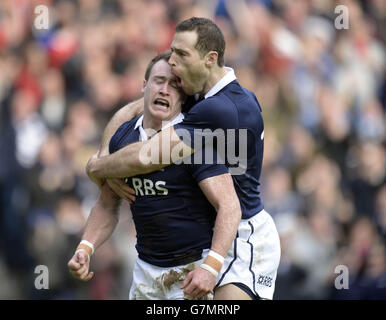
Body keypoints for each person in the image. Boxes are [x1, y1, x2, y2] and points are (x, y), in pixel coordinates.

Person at [87, 17, 281, 300]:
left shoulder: (222, 108)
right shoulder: (204, 95)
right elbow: (134, 110)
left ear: (209, 58)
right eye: (172, 50)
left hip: (245, 236)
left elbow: (147, 156)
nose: (173, 61)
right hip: (217, 234)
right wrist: (106, 152)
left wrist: (97, 166)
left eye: (182, 54)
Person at [67, 51, 242, 300]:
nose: (164, 90)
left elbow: (229, 205)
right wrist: (86, 247)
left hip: (192, 271)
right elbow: (106, 205)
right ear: (144, 86)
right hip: (145, 273)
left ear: (183, 97)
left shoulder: (193, 141)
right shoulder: (123, 137)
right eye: (159, 81)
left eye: (174, 85)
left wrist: (211, 267)